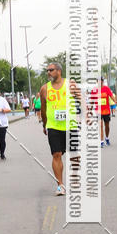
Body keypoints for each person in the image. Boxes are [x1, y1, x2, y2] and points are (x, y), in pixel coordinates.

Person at [40, 62, 78, 195]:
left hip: (71, 125)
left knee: (74, 155)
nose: (48, 72)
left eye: (51, 70)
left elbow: (82, 101)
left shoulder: (70, 84)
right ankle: (60, 185)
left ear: (59, 71)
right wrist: (45, 125)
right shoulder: (45, 88)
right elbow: (43, 109)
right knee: (56, 154)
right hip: (54, 126)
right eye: (47, 70)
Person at [95, 77, 116, 147]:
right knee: (100, 126)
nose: (99, 82)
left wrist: (115, 101)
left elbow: (111, 95)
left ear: (102, 81)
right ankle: (101, 141)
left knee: (107, 126)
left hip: (106, 111)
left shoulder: (106, 88)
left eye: (100, 81)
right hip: (98, 111)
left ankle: (107, 138)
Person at [0, 85, 12, 160]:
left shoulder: (2, 100)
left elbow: (9, 110)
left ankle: (2, 153)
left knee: (2, 140)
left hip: (2, 124)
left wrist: (1, 110)